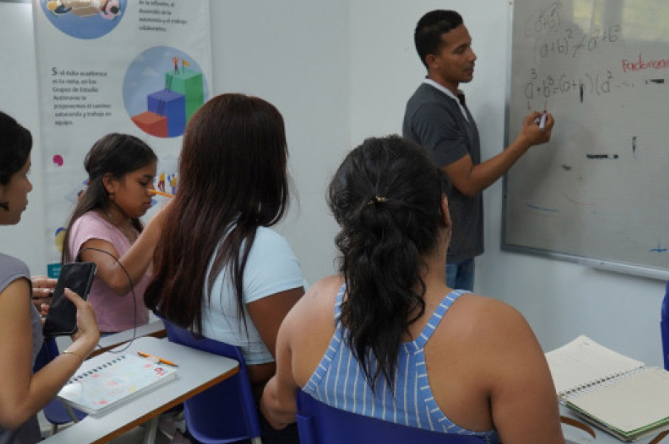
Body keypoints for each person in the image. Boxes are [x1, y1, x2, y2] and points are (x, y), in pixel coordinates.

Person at [261, 136, 563, 444]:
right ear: (444, 211)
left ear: (349, 223)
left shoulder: (311, 306)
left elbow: (277, 406)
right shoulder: (496, 332)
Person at [145, 93, 304, 443]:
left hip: (214, 422)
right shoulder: (262, 250)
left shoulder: (177, 240)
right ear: (262, 165)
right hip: (266, 423)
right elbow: (299, 365)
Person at [403, 10, 555, 291]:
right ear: (433, 61)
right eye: (460, 50)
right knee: (443, 335)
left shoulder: (452, 100)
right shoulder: (431, 108)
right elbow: (468, 182)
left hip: (456, 250)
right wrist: (524, 141)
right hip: (438, 257)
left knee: (457, 334)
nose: (472, 56)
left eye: (470, 45)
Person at [0, 110, 100, 444]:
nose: (29, 186)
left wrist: (16, 309)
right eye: (23, 174)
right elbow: (14, 408)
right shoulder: (10, 275)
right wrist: (85, 342)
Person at [62, 133, 163, 335]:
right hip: (104, 342)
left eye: (152, 182)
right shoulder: (89, 226)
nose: (152, 191)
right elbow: (118, 280)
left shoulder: (130, 225)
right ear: (110, 183)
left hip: (135, 336)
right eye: (144, 183)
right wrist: (159, 225)